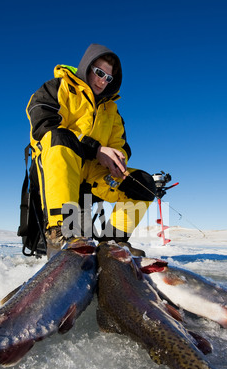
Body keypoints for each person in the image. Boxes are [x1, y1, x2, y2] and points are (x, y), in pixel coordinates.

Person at [26, 43, 156, 258]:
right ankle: (62, 232)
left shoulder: (111, 109)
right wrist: (96, 149)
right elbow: (44, 126)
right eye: (99, 72)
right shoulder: (56, 88)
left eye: (109, 78)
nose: (103, 81)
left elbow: (120, 144)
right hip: (58, 167)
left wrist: (118, 159)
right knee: (60, 137)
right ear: (86, 67)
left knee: (142, 183)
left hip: (93, 174)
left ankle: (113, 243)